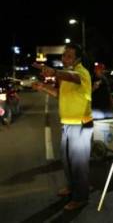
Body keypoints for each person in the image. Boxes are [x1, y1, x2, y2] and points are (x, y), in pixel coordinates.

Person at [32, 43, 93, 211]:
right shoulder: (66, 76)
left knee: (78, 163)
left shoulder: (82, 73)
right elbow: (60, 94)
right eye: (64, 55)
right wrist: (43, 87)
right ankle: (74, 187)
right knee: (66, 161)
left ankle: (81, 197)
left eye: (69, 56)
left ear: (77, 59)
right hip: (67, 123)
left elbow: (74, 77)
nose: (64, 58)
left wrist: (54, 72)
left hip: (81, 124)